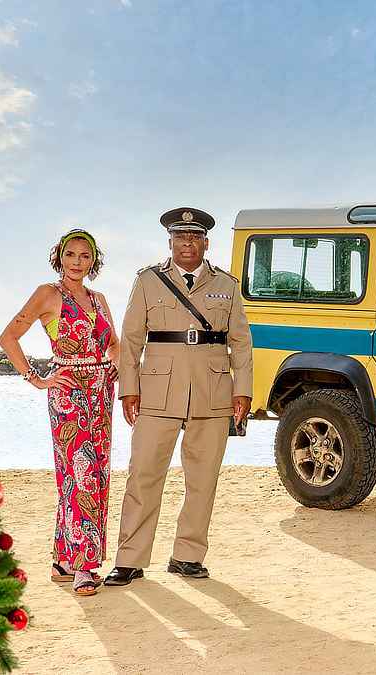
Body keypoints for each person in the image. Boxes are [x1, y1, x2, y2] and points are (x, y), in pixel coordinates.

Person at [104, 207, 253, 586]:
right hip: (157, 392)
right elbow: (131, 339)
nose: (187, 243)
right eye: (180, 237)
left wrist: (243, 392)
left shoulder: (227, 285)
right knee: (143, 475)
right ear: (169, 242)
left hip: (213, 392)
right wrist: (129, 389)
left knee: (203, 480)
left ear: (205, 242)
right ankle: (130, 559)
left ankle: (188, 556)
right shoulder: (148, 281)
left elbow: (241, 344)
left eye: (194, 237)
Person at [0, 229, 118, 597]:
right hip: (68, 394)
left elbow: (113, 343)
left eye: (85, 256)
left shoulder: (98, 299)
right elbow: (8, 337)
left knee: (94, 476)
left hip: (102, 392)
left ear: (93, 261)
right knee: (80, 474)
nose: (77, 261)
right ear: (59, 257)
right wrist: (36, 378)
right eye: (71, 254)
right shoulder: (48, 294)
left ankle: (64, 561)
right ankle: (84, 566)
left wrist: (117, 368)